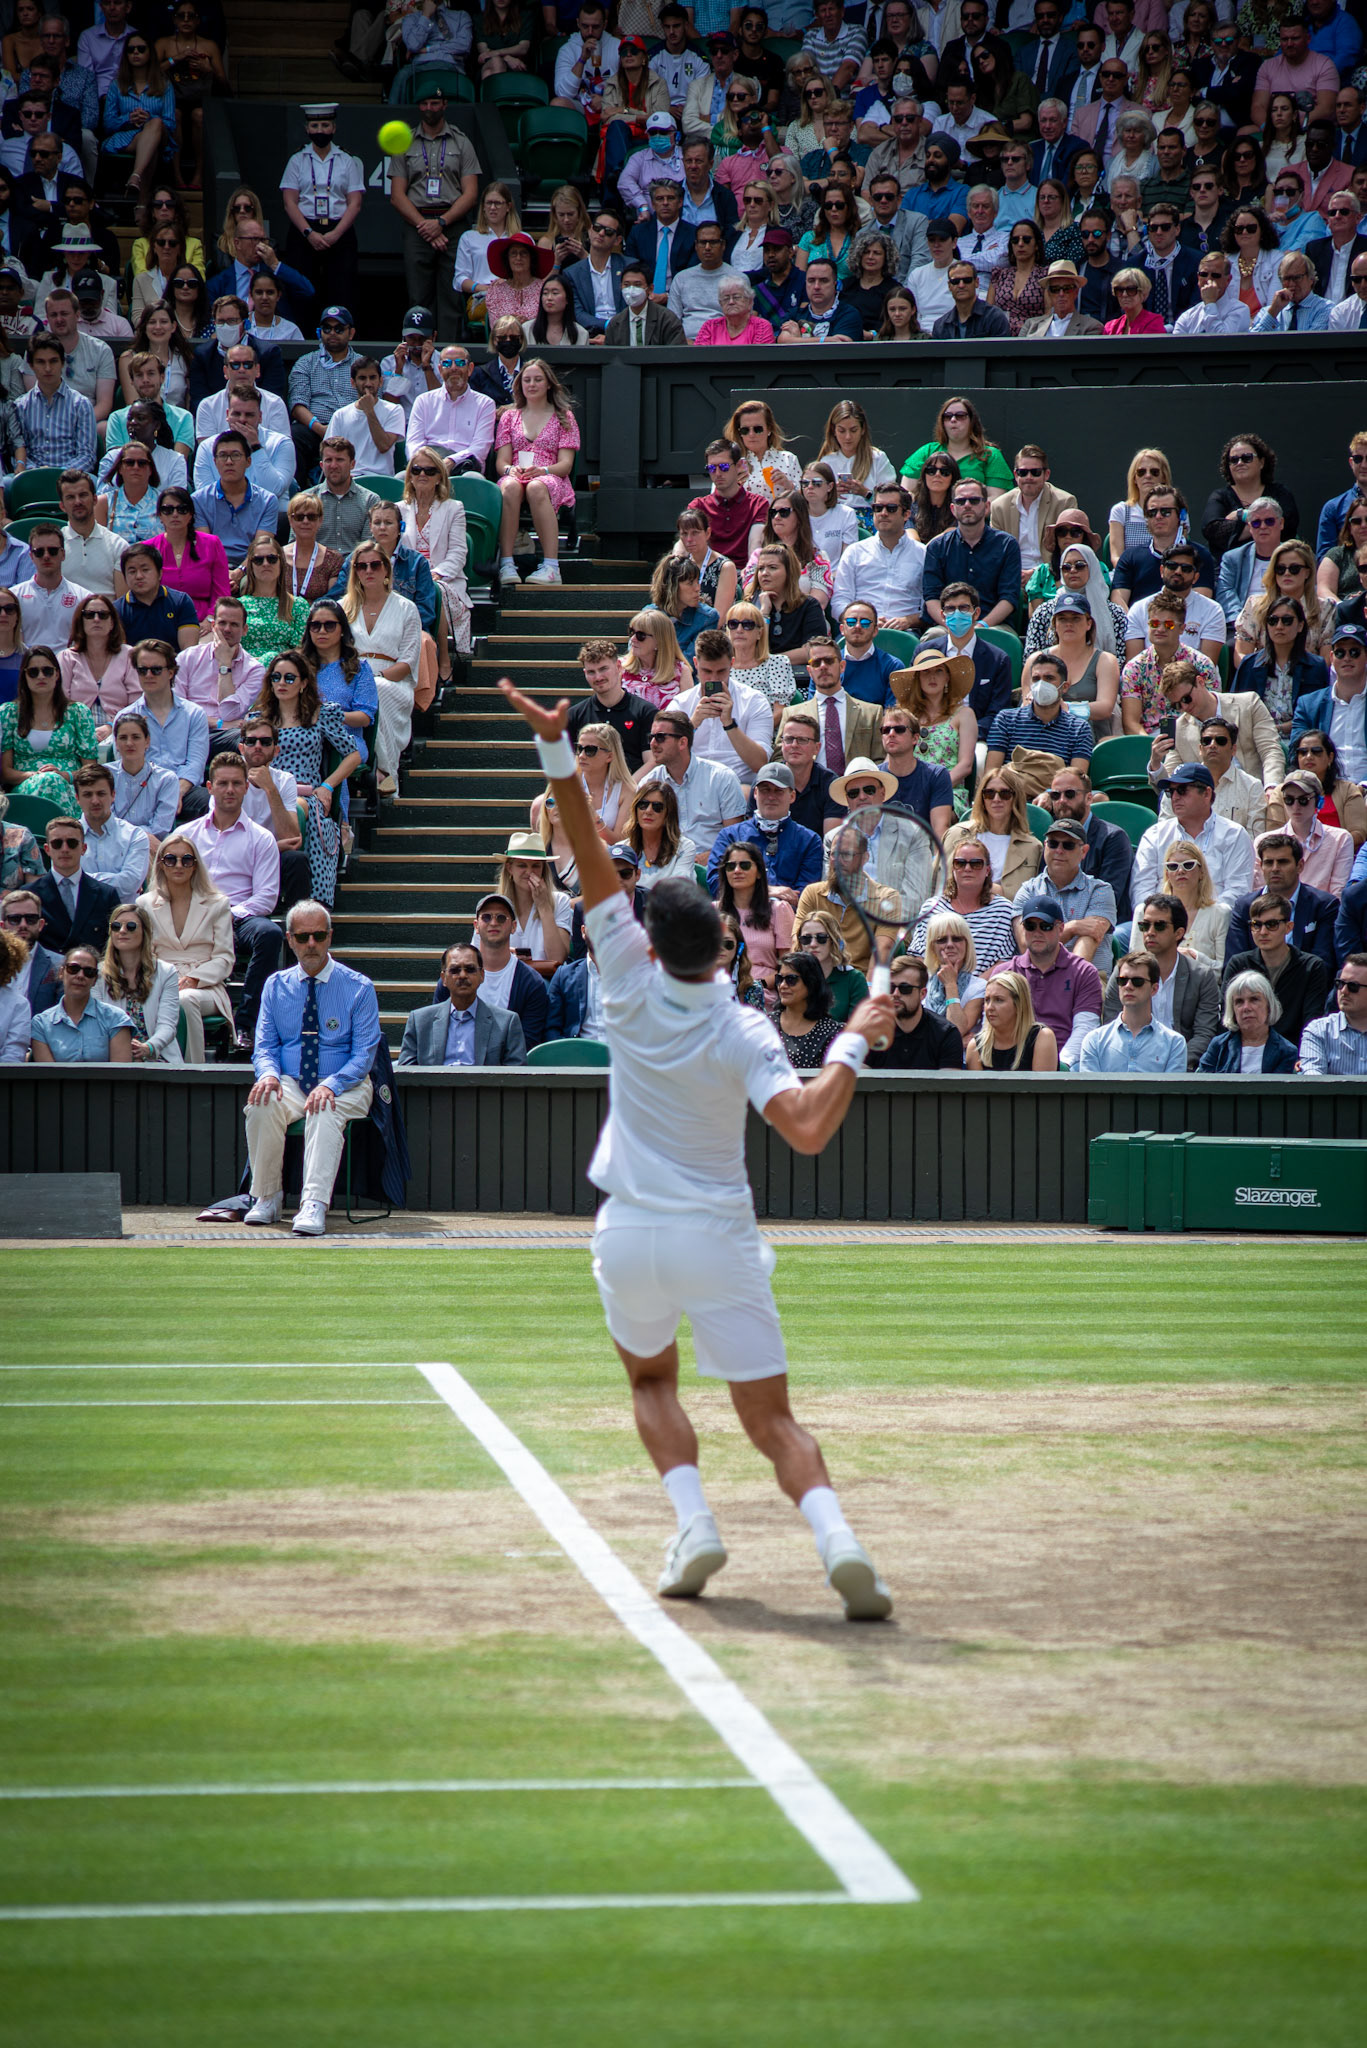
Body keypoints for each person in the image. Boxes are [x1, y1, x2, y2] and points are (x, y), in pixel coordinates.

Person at [242, 900, 381, 1236]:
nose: (311, 944)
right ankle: (267, 1197)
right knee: (261, 1102)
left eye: (319, 935)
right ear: (290, 940)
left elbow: (364, 1055)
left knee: (323, 1107)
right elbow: (264, 1046)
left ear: (330, 936)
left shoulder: (359, 987)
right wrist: (269, 1075)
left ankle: (314, 1203)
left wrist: (331, 1084)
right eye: (303, 937)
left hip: (347, 1083)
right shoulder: (275, 985)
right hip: (291, 1081)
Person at [179, 749, 282, 1044]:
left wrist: (227, 914)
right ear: (210, 787)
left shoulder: (261, 838)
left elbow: (266, 897)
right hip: (191, 916)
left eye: (237, 783)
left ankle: (246, 1024)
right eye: (223, 784)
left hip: (238, 918)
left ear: (247, 788)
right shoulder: (187, 835)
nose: (230, 790)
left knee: (270, 933)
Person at [250, 650, 359, 907]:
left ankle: (311, 896)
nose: (282, 683)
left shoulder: (321, 715)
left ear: (303, 683)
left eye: (289, 678)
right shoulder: (258, 719)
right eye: (276, 677)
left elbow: (353, 755)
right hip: (265, 788)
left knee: (298, 808)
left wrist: (327, 785)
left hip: (306, 792)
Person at [388, 85, 480, 342]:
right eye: (425, 103)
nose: (429, 108)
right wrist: (426, 226)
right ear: (419, 106)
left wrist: (441, 223)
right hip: (416, 223)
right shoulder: (404, 142)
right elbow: (397, 196)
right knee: (419, 296)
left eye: (435, 103)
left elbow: (471, 193)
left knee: (452, 295)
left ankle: (450, 352)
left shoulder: (461, 142)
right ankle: (419, 351)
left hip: (453, 223)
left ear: (444, 105)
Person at [338, 541, 420, 799]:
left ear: (386, 568)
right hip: (350, 677)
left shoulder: (407, 608)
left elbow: (408, 662)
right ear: (355, 571)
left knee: (377, 689)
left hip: (393, 681)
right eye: (361, 566)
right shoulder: (342, 608)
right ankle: (383, 774)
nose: (368, 570)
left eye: (375, 565)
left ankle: (384, 770)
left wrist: (375, 678)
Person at [1102, 891, 1221, 1068]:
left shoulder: (1202, 976)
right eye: (1145, 925)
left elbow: (1204, 1034)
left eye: (1159, 926)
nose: (1150, 932)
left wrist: (1174, 1064)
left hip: (1182, 1068)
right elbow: (1112, 1022)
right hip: (1131, 1064)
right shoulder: (1124, 973)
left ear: (1179, 933)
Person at [493, 358, 580, 590]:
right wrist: (511, 470)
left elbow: (565, 465)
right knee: (509, 486)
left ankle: (551, 567)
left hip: (551, 474)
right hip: (516, 473)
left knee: (536, 486)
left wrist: (542, 470)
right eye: (527, 380)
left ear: (548, 384)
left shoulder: (564, 416)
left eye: (538, 379)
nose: (532, 384)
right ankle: (507, 563)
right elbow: (501, 462)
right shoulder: (510, 417)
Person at [1219, 888, 1332, 1048]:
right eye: (1256, 925)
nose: (1263, 932)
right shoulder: (1238, 964)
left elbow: (1312, 1022)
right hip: (1244, 1048)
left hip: (1294, 1052)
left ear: (1289, 927)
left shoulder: (1311, 967)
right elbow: (1227, 1017)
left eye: (1271, 924)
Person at [279, 103, 364, 313]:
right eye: (315, 126)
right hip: (305, 231)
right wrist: (309, 233)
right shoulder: (297, 160)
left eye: (325, 125)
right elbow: (289, 202)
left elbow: (355, 203)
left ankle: (339, 329)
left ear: (333, 128)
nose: (320, 130)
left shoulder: (346, 160)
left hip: (339, 231)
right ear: (307, 129)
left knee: (342, 291)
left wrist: (336, 233)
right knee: (302, 290)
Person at [398, 941, 527, 1066]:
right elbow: (407, 1072)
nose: (463, 975)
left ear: (482, 975)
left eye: (470, 969)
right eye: (455, 970)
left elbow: (515, 1074)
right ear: (444, 979)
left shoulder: (506, 1023)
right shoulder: (419, 1022)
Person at [1, 643, 96, 809]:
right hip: (26, 788)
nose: (41, 676)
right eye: (33, 672)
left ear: (57, 674)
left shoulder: (78, 712)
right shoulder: (9, 713)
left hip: (69, 787)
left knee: (53, 781)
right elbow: (5, 772)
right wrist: (36, 776)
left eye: (47, 671)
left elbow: (91, 769)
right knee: (49, 780)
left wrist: (64, 775)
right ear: (24, 676)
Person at [639, 705, 746, 848]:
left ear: (682, 742)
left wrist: (710, 856)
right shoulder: (648, 783)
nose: (653, 744)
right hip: (666, 859)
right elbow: (642, 838)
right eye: (651, 737)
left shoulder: (721, 778)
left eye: (660, 737)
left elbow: (734, 839)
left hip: (713, 858)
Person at [923, 479, 1022, 630]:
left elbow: (1009, 598)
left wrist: (981, 626)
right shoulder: (936, 547)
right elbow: (931, 598)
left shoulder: (1007, 545)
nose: (967, 505)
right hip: (947, 625)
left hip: (993, 626)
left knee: (1002, 639)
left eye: (974, 500)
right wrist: (952, 627)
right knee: (932, 637)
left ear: (987, 506)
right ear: (953, 508)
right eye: (961, 501)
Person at [95, 895, 180, 1062]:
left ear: (145, 932)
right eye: (116, 926)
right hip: (112, 1059)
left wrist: (148, 1047)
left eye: (131, 926)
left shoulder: (166, 972)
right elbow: (98, 1024)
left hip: (157, 1057)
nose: (122, 931)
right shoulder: (97, 974)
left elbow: (168, 1025)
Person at [466, 889, 548, 1050]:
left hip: (508, 1063)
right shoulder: (455, 976)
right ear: (476, 926)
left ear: (513, 926)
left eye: (501, 917)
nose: (493, 923)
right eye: (486, 917)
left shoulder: (531, 982)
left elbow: (529, 1042)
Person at [31, 812, 118, 953]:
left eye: (72, 843)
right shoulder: (30, 895)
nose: (65, 849)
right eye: (57, 843)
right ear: (47, 849)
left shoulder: (107, 895)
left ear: (83, 848)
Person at [29, 941, 133, 1059]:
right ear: (61, 972)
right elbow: (47, 1070)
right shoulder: (41, 1024)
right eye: (73, 968)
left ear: (95, 980)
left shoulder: (116, 1019)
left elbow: (120, 1069)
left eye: (89, 972)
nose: (80, 976)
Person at [407, 345, 497, 478]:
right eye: (447, 363)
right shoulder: (423, 401)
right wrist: (429, 464)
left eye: (460, 363)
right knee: (401, 478)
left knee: (473, 478)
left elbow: (480, 448)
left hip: (463, 469)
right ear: (440, 369)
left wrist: (451, 461)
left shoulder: (485, 404)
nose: (454, 368)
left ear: (470, 369)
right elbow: (413, 443)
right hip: (427, 468)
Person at [72, 759, 148, 902]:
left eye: (101, 794)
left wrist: (80, 880)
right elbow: (63, 881)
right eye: (88, 795)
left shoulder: (135, 836)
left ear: (113, 795)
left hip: (122, 914)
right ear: (77, 798)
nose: (95, 801)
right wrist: (116, 880)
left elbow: (130, 883)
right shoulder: (65, 838)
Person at [1196, 969, 1299, 1074]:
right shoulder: (1218, 1046)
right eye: (1239, 1002)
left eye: (1254, 999)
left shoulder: (1286, 1051)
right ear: (1233, 1010)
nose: (1246, 1008)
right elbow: (1203, 1081)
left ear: (1269, 1005)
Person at [965, 967, 1059, 1071]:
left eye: (999, 1000)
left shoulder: (1042, 1037)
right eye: (987, 1000)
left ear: (1019, 1004)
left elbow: (1042, 1082)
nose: (990, 1007)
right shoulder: (975, 1047)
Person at [1159, 837, 1231, 970]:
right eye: (1173, 866)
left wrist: (1195, 957)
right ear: (1167, 874)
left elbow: (1224, 970)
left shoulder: (1220, 914)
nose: (1180, 871)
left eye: (1188, 865)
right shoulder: (1147, 912)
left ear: (1202, 872)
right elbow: (1136, 963)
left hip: (1204, 984)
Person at [1298, 955, 1367, 1072]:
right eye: (1340, 983)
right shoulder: (1318, 1031)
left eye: (1353, 986)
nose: (1343, 991)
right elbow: (1313, 1077)